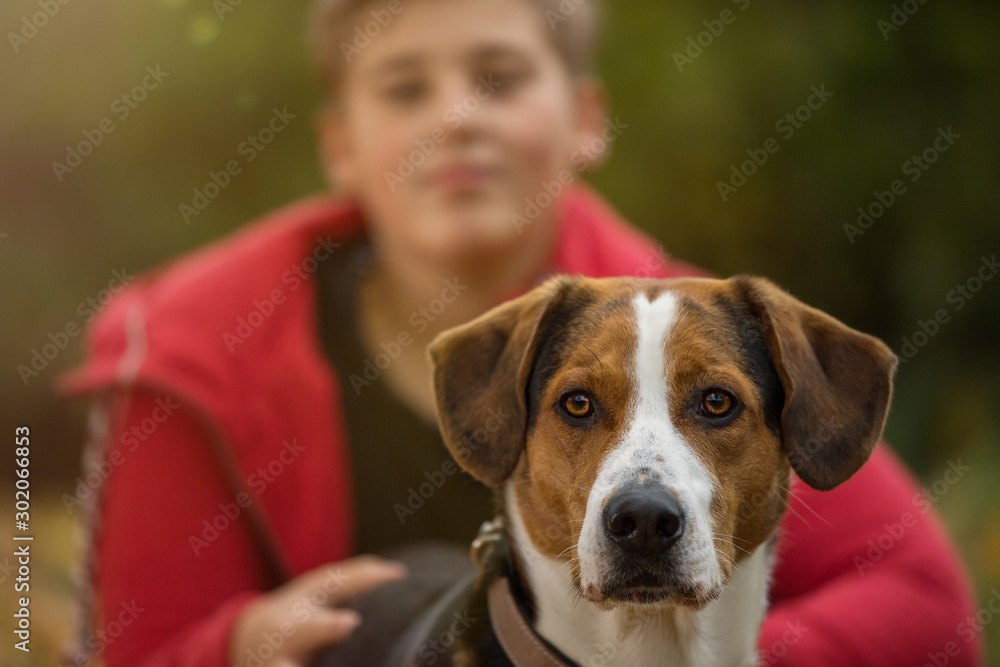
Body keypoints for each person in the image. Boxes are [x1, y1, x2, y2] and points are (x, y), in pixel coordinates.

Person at [59, 0, 983, 665]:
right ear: (340, 143)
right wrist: (235, 646)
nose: (457, 117)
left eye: (498, 78)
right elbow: (119, 649)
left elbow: (927, 608)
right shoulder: (186, 348)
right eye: (405, 86)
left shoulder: (703, 322)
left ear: (584, 119)